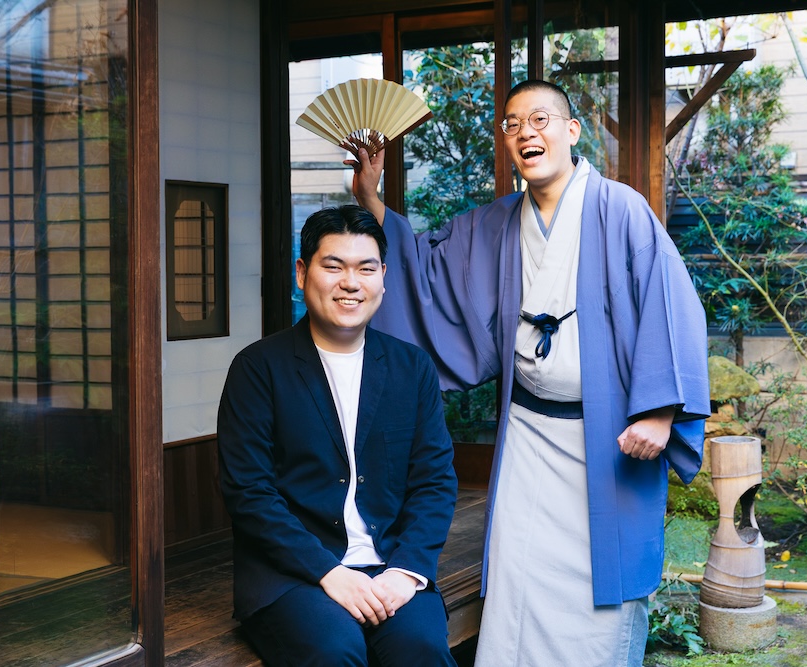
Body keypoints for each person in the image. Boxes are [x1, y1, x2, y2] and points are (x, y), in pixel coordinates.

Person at [348, 79, 710, 666]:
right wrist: (371, 199)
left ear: (571, 131)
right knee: (518, 577)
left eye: (539, 120)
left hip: (606, 437)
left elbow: (668, 305)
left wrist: (660, 411)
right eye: (512, 125)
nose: (525, 134)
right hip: (527, 433)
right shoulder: (496, 223)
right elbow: (423, 271)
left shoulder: (619, 209)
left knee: (601, 597)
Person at [216, 205, 459, 667]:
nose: (351, 283)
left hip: (389, 563)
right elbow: (248, 492)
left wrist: (406, 571)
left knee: (422, 650)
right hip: (292, 573)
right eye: (334, 266)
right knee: (334, 651)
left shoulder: (412, 368)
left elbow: (434, 482)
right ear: (302, 273)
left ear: (383, 278)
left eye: (366, 269)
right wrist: (328, 571)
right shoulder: (258, 369)